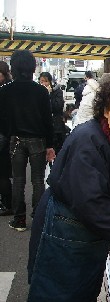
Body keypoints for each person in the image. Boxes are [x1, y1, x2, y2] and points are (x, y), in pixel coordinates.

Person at [27, 77, 110, 301]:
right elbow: (89, 199)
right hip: (66, 226)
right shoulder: (88, 139)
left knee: (82, 291)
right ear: (106, 111)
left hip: (89, 230)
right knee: (58, 293)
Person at [0, 50, 55, 231]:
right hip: (38, 140)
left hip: (15, 139)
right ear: (32, 68)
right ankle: (37, 216)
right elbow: (48, 119)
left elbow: (2, 119)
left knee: (18, 180)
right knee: (38, 180)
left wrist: (9, 133)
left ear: (13, 68)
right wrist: (50, 144)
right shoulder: (40, 91)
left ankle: (19, 220)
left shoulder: (5, 91)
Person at [39, 72, 66, 154]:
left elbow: (57, 107)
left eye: (45, 81)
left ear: (50, 81)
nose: (43, 83)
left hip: (55, 125)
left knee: (56, 149)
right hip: (42, 126)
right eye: (41, 81)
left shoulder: (57, 92)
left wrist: (49, 94)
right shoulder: (38, 92)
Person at [0, 61, 13, 216]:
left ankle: (8, 203)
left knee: (3, 172)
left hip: (4, 134)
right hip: (8, 134)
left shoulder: (5, 91)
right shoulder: (10, 89)